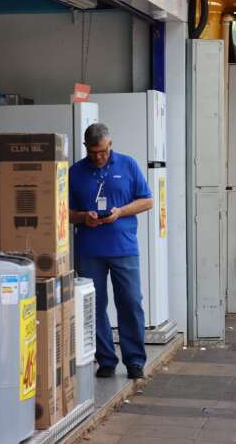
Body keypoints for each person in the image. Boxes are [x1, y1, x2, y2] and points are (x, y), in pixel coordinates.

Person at [69, 123, 153, 380]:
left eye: (103, 152)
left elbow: (147, 200)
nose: (98, 157)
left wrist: (120, 212)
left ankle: (135, 361)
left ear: (110, 144)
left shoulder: (127, 165)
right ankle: (105, 359)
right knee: (93, 305)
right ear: (86, 148)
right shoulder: (75, 172)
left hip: (124, 248)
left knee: (130, 302)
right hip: (89, 249)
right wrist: (84, 217)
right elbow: (64, 212)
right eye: (93, 152)